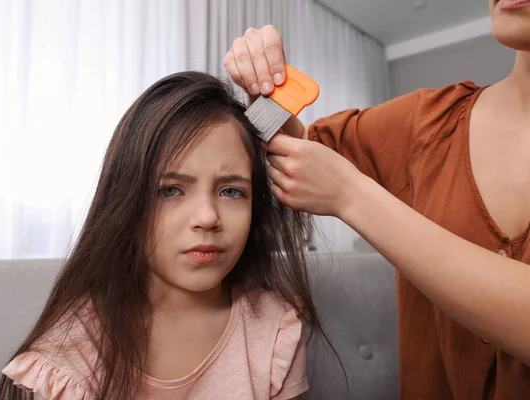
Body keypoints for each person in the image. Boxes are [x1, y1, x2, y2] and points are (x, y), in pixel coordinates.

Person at [223, 1, 530, 399]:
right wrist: (265, 93)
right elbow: (298, 153)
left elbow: (335, 181)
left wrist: (353, 196)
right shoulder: (427, 123)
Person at [0, 71, 324, 400]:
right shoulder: (75, 349)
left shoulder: (272, 327)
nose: (207, 217)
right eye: (170, 190)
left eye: (232, 192)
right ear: (127, 202)